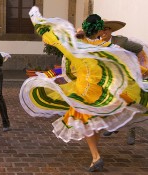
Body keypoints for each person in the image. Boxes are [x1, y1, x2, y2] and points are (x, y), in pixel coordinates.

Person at [21, 7, 148, 172]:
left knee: (87, 122)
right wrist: (144, 71)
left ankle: (96, 157)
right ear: (100, 30)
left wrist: (36, 19)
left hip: (84, 93)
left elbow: (50, 37)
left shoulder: (75, 44)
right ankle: (96, 155)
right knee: (94, 122)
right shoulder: (108, 48)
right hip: (104, 92)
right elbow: (127, 65)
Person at [100, 20, 147, 145]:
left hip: (127, 77)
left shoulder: (121, 41)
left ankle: (131, 130)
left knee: (130, 104)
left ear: (111, 31)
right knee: (109, 101)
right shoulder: (96, 43)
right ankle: (114, 126)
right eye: (101, 29)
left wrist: (140, 67)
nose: (103, 32)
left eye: (106, 29)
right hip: (111, 78)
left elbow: (140, 50)